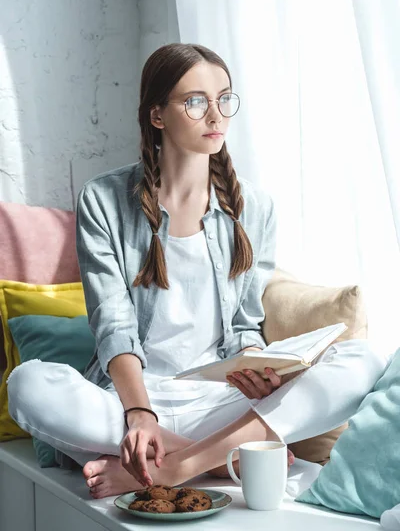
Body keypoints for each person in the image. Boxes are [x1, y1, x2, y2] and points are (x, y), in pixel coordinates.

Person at [7, 43, 387, 500]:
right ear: (157, 115)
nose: (216, 116)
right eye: (195, 101)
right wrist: (140, 414)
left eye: (224, 99)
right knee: (27, 385)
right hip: (133, 401)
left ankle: (177, 466)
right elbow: (113, 326)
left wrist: (258, 368)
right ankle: (226, 461)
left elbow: (245, 324)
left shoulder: (254, 206)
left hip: (221, 402)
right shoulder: (103, 200)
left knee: (362, 359)